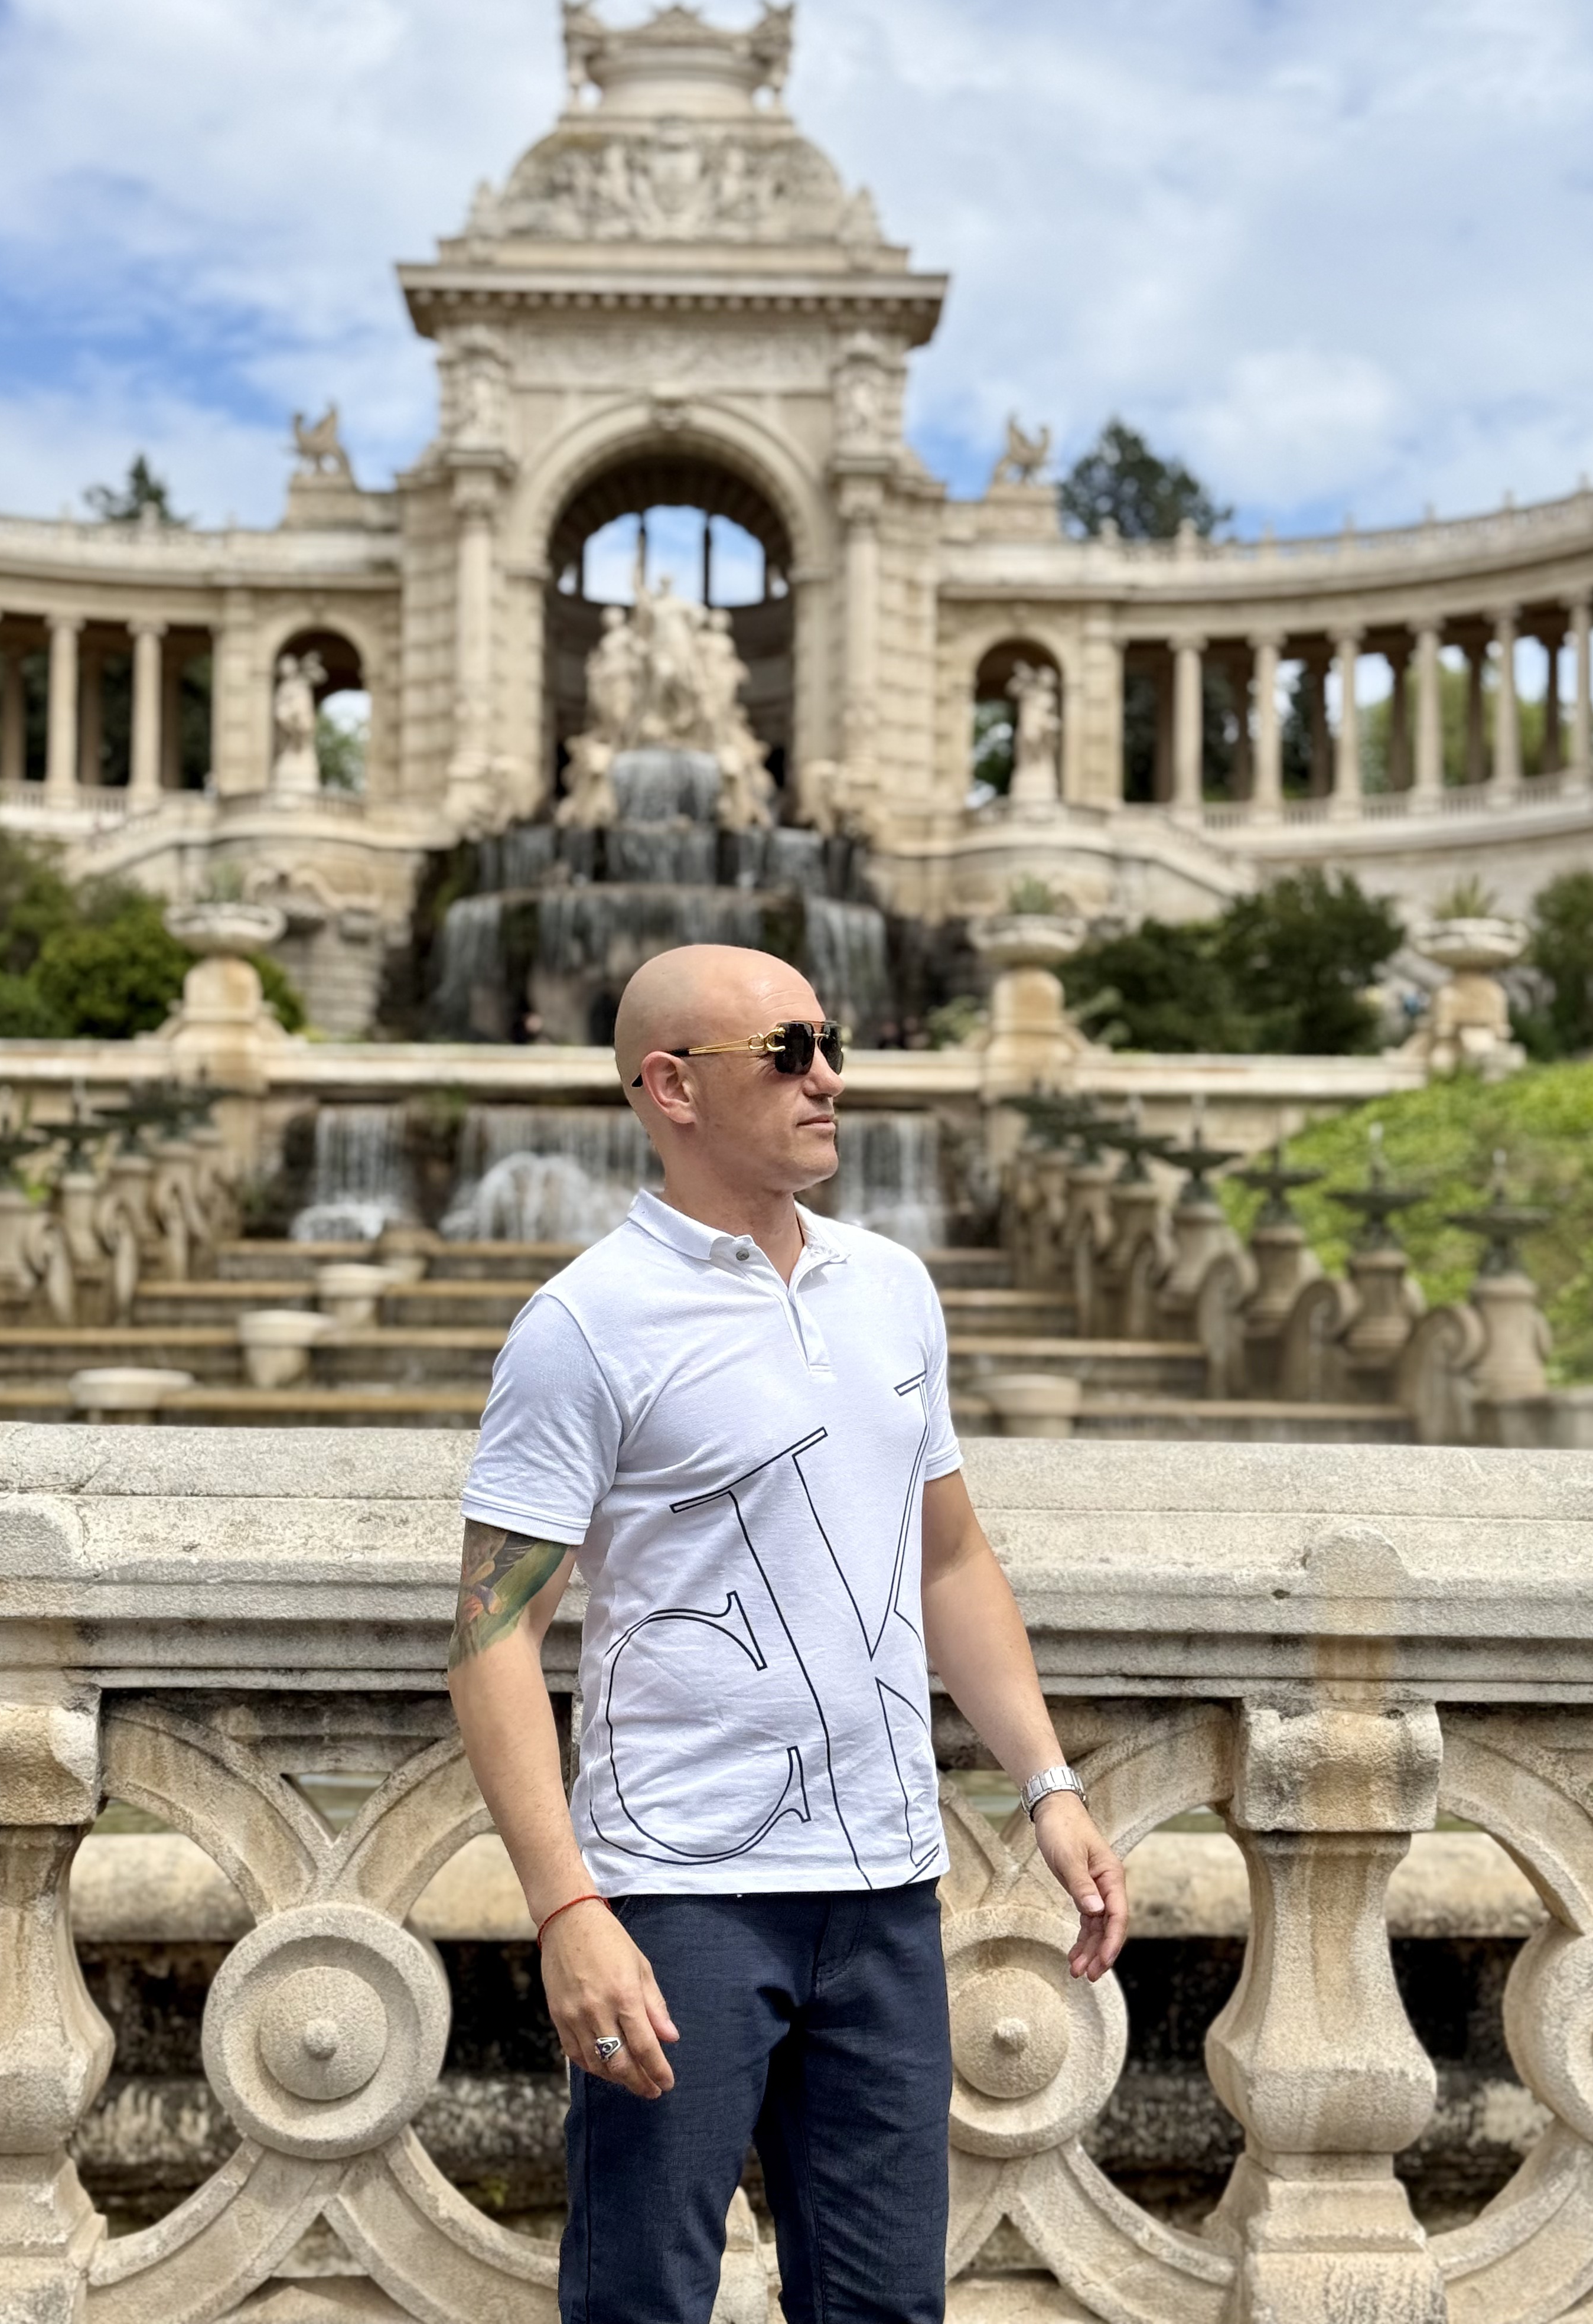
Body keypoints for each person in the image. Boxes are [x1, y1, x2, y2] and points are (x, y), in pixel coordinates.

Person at [448, 943, 1127, 2324]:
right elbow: (492, 1635)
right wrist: (569, 1909)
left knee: (886, 2310)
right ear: (671, 1087)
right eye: (788, 1052)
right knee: (642, 2300)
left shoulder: (892, 1288)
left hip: (887, 1888)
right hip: (678, 1900)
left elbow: (948, 1556)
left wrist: (1048, 1784)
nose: (828, 1079)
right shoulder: (584, 1325)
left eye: (832, 1045)